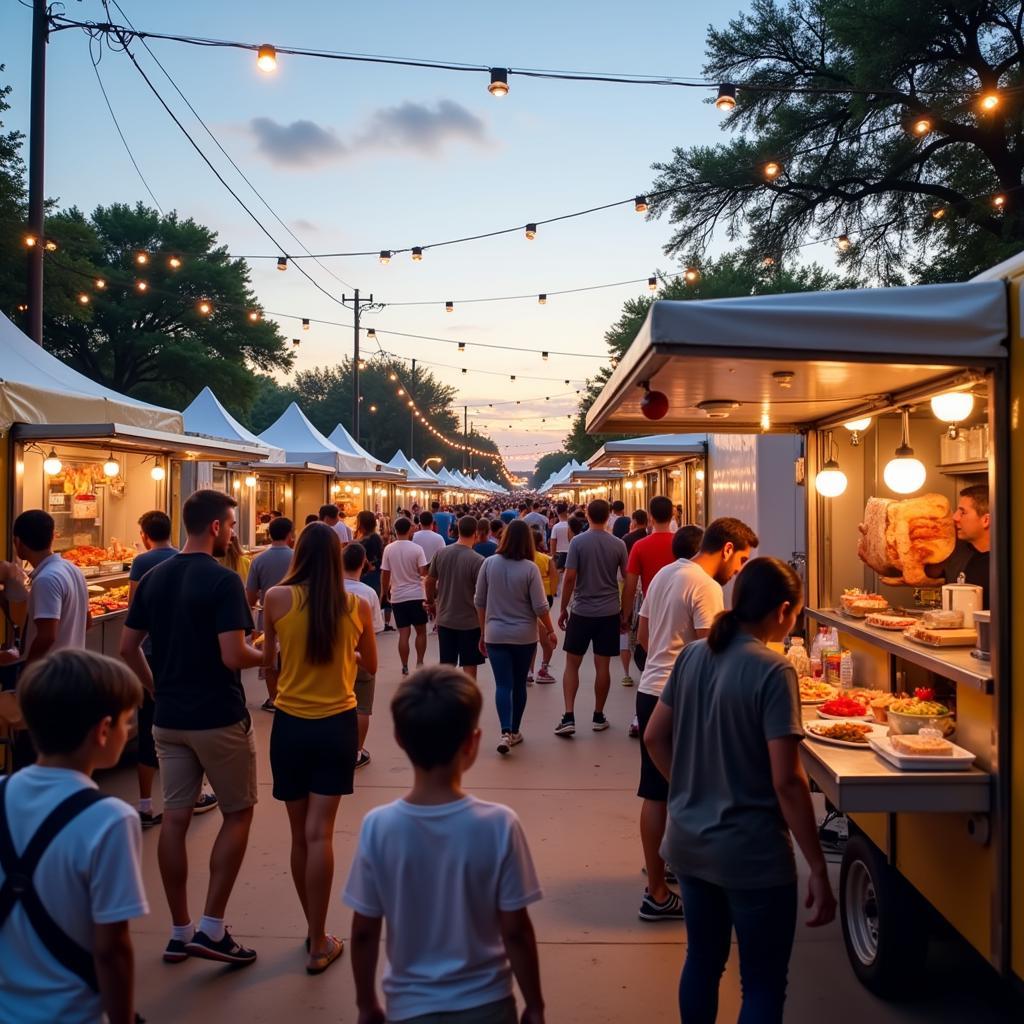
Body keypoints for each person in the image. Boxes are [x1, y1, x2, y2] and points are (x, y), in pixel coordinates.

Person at [644, 558, 836, 1022]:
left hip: (690, 844)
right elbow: (787, 781)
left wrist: (690, 788)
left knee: (702, 962)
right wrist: (817, 866)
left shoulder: (692, 655)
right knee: (763, 982)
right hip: (751, 853)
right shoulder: (773, 671)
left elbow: (653, 736)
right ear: (784, 611)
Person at [345, 666, 544, 1024]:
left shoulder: (379, 827)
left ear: (400, 739)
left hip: (409, 1006)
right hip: (488, 1003)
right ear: (472, 742)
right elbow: (515, 930)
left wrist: (365, 1004)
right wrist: (535, 1004)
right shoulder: (499, 825)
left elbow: (363, 931)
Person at [120, 489, 263, 966]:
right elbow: (233, 656)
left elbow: (127, 647)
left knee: (175, 818)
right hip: (218, 715)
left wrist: (154, 686)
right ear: (217, 528)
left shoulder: (154, 576)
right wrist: (269, 655)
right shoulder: (222, 582)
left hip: (169, 719)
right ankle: (212, 926)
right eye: (233, 525)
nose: (235, 534)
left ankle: (179, 930)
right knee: (238, 812)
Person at [0, 650, 148, 1024]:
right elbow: (112, 949)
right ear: (102, 731)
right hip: (69, 1013)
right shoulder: (110, 820)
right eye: (127, 722)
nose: (129, 730)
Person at [263, 523, 377, 974]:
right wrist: (344, 653)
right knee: (320, 834)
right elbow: (370, 663)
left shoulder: (275, 598)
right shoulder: (354, 604)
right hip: (337, 724)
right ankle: (318, 939)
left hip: (290, 724)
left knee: (297, 835)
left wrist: (281, 686)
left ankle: (312, 932)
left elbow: (270, 662)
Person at [633, 516, 757, 922]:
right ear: (726, 549)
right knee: (694, 790)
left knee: (656, 792)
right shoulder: (705, 586)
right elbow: (713, 651)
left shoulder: (666, 573)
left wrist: (663, 661)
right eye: (739, 561)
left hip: (652, 691)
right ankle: (663, 889)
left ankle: (658, 880)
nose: (737, 571)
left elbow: (643, 636)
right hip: (684, 697)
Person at [476, 521, 557, 755]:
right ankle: (514, 730)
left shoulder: (489, 564)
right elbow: (540, 606)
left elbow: (479, 600)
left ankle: (504, 730)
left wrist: (483, 630)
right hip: (524, 635)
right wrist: (550, 631)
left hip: (495, 633)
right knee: (519, 683)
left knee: (503, 684)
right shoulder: (530, 568)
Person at [555, 500, 627, 737]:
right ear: (609, 516)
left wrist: (564, 607)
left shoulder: (578, 542)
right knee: (602, 665)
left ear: (587, 515)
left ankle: (568, 715)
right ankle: (598, 715)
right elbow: (626, 580)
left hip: (582, 610)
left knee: (572, 664)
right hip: (608, 612)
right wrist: (624, 613)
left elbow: (570, 577)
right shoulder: (618, 544)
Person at [128, 511, 180, 829]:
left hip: (148, 655)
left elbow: (135, 608)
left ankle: (145, 804)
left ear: (145, 535)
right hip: (179, 655)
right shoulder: (181, 558)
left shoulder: (142, 562)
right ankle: (191, 795)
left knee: (147, 726)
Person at [0, 510, 88, 671]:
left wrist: (29, 671)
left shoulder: (46, 579)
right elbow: (87, 621)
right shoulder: (73, 569)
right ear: (53, 537)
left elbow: (47, 636)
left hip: (51, 676)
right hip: (73, 669)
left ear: (17, 542)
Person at [620, 496, 680, 683]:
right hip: (680, 608)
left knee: (652, 655)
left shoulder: (640, 546)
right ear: (672, 515)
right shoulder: (680, 543)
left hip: (651, 609)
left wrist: (625, 615)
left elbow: (630, 586)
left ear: (650, 517)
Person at [246, 516, 296, 713]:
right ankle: (290, 693)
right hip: (295, 613)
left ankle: (273, 698)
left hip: (267, 614)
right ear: (289, 535)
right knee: (291, 655)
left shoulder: (259, 560)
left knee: (269, 658)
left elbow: (250, 596)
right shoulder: (297, 557)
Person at [342, 542, 385, 770]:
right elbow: (376, 629)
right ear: (362, 563)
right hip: (361, 653)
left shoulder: (331, 589)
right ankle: (356, 751)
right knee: (362, 706)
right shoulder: (367, 593)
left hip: (336, 657)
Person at [426, 516, 485, 680]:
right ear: (476, 533)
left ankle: (446, 699)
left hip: (445, 618)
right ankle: (469, 700)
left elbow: (429, 581)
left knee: (446, 665)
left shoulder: (441, 553)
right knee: (470, 665)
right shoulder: (478, 560)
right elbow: (481, 596)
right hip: (470, 621)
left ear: (457, 531)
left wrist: (431, 602)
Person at [928, 483, 990, 606]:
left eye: (963, 512)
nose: (955, 517)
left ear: (986, 520)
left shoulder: (1009, 564)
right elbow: (928, 574)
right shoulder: (955, 550)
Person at [381, 517, 429, 675]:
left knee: (404, 633)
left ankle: (404, 665)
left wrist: (384, 592)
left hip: (398, 595)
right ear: (409, 530)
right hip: (416, 594)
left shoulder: (389, 549)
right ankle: (420, 662)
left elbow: (385, 574)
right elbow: (423, 573)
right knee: (421, 631)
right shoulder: (417, 549)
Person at [529, 526, 560, 684]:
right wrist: (552, 592)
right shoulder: (545, 559)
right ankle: (543, 668)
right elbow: (555, 579)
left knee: (531, 636)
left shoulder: (522, 558)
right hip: (544, 597)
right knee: (545, 634)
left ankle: (529, 670)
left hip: (526, 599)